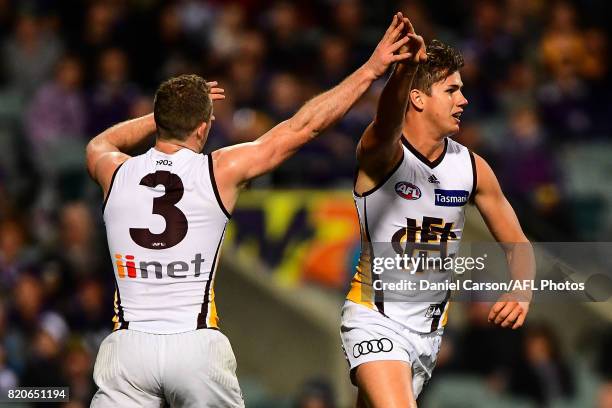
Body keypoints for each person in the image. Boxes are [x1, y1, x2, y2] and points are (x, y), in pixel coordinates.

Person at [85, 13, 417, 408]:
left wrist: (161, 115)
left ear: (158, 122)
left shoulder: (113, 169)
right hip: (194, 344)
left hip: (127, 350)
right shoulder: (219, 170)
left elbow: (101, 141)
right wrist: (371, 69)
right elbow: (303, 127)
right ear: (204, 128)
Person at [340, 35, 535, 407]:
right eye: (452, 90)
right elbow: (384, 121)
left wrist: (521, 291)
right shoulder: (383, 153)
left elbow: (518, 243)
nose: (464, 100)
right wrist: (405, 71)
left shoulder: (472, 168)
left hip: (429, 335)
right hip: (375, 319)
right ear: (417, 98)